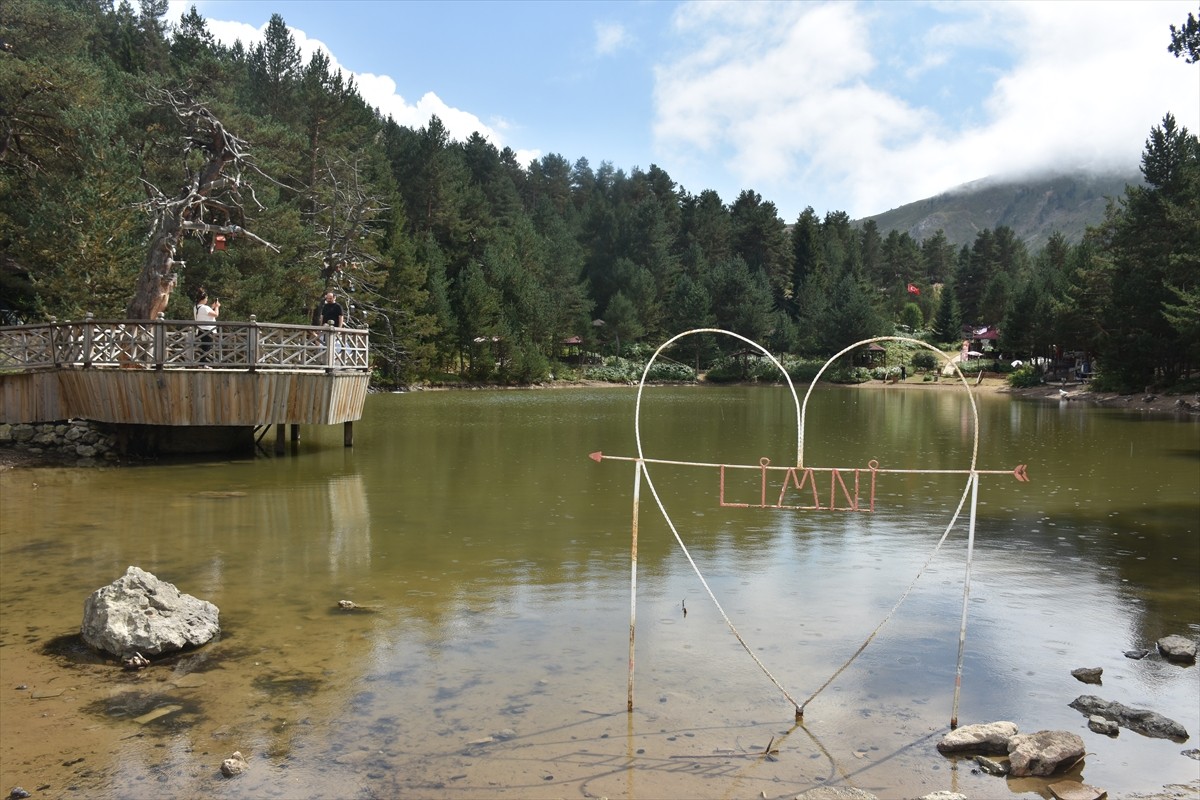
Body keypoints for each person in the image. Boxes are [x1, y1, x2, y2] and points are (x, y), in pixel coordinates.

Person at [194, 288, 220, 363]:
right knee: (206, 347)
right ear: (203, 298)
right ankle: (202, 363)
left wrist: (212, 307)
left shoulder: (196, 307)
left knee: (204, 347)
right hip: (207, 329)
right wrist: (217, 307)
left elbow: (206, 313)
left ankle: (202, 363)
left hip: (200, 329)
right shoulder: (205, 308)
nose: (207, 300)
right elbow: (216, 314)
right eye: (206, 298)